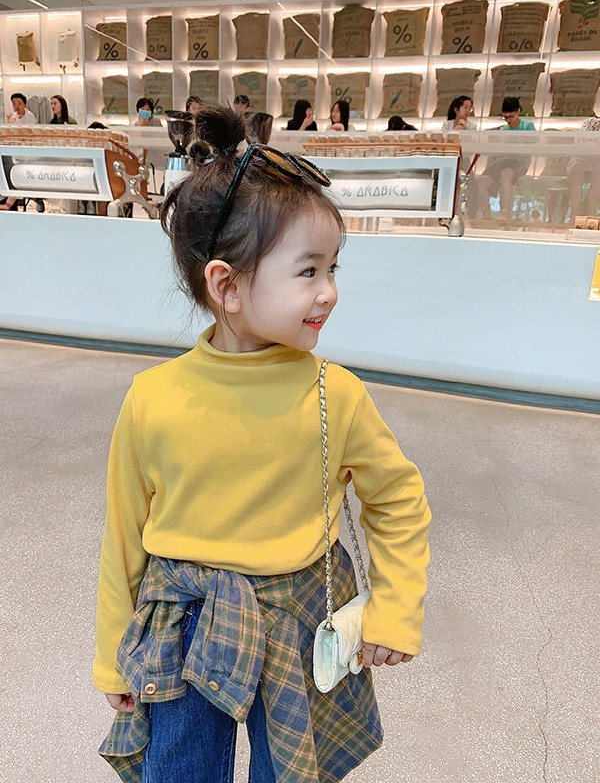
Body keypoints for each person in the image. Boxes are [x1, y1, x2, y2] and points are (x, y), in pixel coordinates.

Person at [94, 105, 431, 783]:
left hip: (301, 617)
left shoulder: (336, 393)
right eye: (308, 271)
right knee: (182, 771)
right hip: (182, 623)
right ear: (226, 285)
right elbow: (124, 536)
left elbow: (398, 499)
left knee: (290, 773)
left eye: (333, 269)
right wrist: (111, 657)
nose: (329, 292)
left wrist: (396, 608)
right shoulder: (151, 399)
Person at [475, 96, 536, 220]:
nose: (508, 120)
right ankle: (486, 216)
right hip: (503, 162)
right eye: (505, 117)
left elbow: (532, 142)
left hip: (519, 162)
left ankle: (504, 213)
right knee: (482, 181)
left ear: (518, 111)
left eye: (511, 117)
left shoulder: (528, 126)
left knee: (506, 174)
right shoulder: (503, 129)